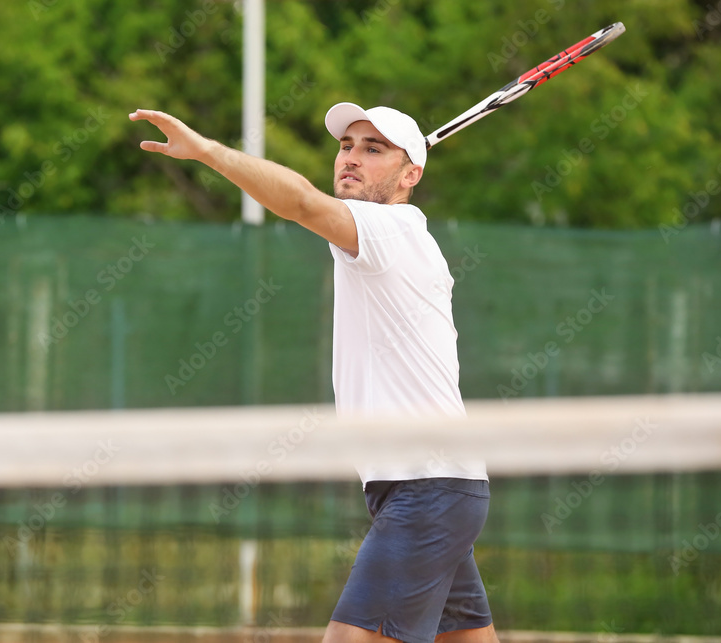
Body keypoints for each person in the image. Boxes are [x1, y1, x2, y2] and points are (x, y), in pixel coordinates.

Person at [129, 102, 497, 643]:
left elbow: (300, 202)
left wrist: (207, 151)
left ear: (410, 174)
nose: (351, 158)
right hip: (430, 486)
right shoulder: (390, 232)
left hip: (429, 485)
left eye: (374, 149)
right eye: (347, 146)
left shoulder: (387, 228)